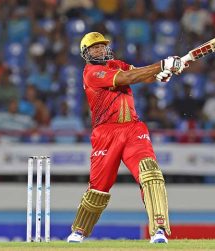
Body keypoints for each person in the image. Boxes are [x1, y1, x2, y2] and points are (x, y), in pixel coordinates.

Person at [66, 32, 189, 244]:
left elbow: (141, 75)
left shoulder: (116, 63)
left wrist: (162, 74)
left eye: (102, 46)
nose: (100, 50)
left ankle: (158, 229)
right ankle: (79, 231)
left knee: (150, 172)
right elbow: (127, 78)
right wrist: (162, 64)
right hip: (106, 133)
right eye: (94, 48)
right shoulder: (91, 73)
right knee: (99, 187)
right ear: (86, 53)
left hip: (133, 129)